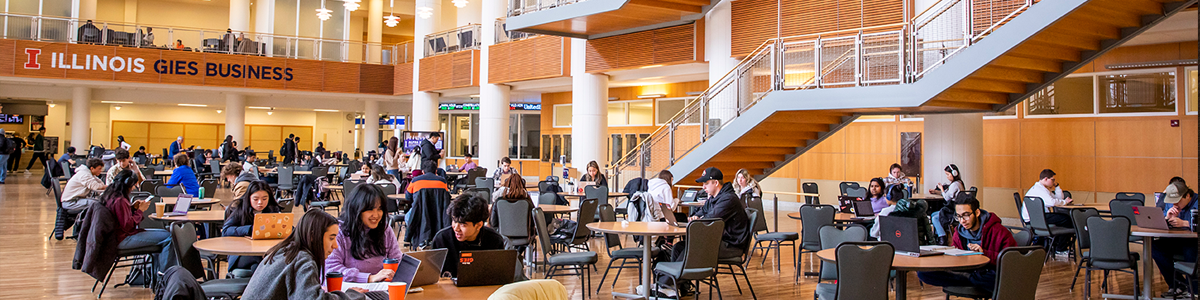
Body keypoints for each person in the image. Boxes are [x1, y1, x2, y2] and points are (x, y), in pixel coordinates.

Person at [243, 209, 370, 299]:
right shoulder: (303, 259)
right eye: (331, 238)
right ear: (313, 236)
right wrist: (350, 295)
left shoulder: (285, 251)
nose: (335, 245)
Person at [916, 197, 1016, 296]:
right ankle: (970, 278)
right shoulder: (959, 232)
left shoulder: (999, 231)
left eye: (966, 215)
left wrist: (984, 253)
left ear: (977, 212)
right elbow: (956, 257)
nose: (962, 221)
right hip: (967, 271)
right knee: (924, 273)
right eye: (958, 216)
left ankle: (969, 278)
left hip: (990, 272)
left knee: (992, 277)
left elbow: (1012, 261)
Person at [325, 184, 406, 283]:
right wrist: (369, 278)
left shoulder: (384, 229)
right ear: (356, 209)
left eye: (380, 209)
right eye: (370, 209)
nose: (376, 215)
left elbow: (397, 259)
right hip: (349, 292)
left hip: (379, 288)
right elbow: (331, 269)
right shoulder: (339, 231)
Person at [103, 170, 173, 273]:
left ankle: (155, 272)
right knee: (169, 237)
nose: (133, 188)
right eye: (133, 185)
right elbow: (127, 226)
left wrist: (132, 208)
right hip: (122, 239)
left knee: (165, 235)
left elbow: (120, 217)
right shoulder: (120, 201)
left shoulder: (112, 196)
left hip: (115, 238)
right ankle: (163, 273)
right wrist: (140, 211)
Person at [431, 194, 508, 277]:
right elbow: (432, 276)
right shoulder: (442, 239)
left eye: (463, 224)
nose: (456, 228)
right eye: (454, 221)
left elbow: (497, 276)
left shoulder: (494, 240)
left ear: (479, 225)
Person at [682, 167, 751, 260]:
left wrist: (698, 220)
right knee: (679, 247)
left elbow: (710, 220)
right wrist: (695, 217)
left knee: (690, 248)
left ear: (716, 183)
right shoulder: (713, 198)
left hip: (731, 245)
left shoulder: (728, 199)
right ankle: (672, 272)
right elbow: (702, 211)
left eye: (706, 183)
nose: (703, 187)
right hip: (720, 240)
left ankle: (678, 273)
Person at [221, 180, 282, 275]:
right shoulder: (240, 209)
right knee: (261, 261)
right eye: (255, 199)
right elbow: (226, 230)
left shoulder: (272, 210)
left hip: (265, 251)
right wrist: (249, 229)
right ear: (249, 198)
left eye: (264, 199)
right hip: (241, 254)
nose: (260, 202)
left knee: (264, 262)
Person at [1151, 177, 1199, 298]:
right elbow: (1161, 222)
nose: (1174, 204)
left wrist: (1185, 223)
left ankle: (1194, 290)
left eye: (1177, 201)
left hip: (1193, 242)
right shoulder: (1171, 204)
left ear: (1187, 196)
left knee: (1190, 249)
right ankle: (1177, 285)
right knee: (1155, 247)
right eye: (1172, 201)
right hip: (1176, 240)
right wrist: (1166, 219)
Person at [870, 184, 934, 243]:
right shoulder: (915, 209)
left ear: (889, 196)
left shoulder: (885, 212)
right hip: (913, 245)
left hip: (889, 246)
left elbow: (874, 234)